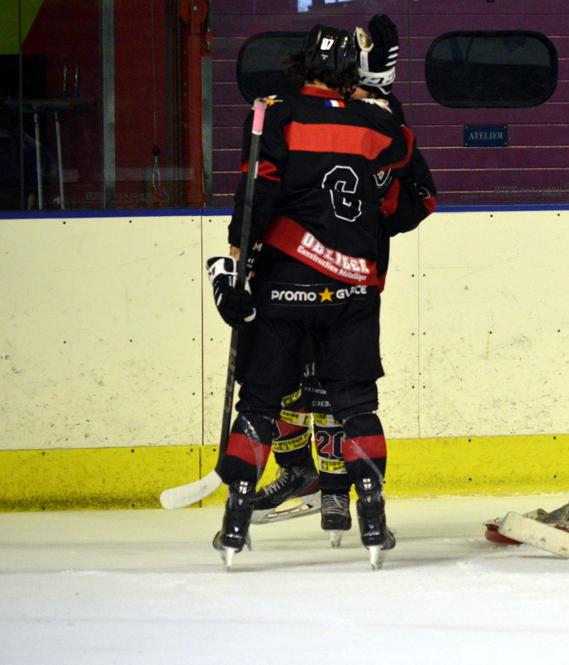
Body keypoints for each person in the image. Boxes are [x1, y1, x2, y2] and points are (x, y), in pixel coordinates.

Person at [208, 23, 420, 569]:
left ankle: (235, 517)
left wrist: (235, 270)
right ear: (355, 71)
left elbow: (256, 196)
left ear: (301, 64)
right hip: (352, 289)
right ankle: (371, 517)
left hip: (282, 287)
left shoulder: (273, 113)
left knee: (258, 404)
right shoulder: (379, 124)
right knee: (356, 405)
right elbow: (399, 204)